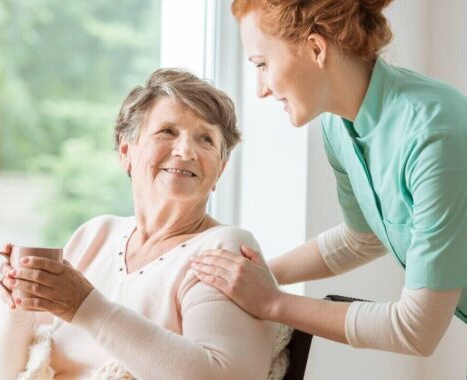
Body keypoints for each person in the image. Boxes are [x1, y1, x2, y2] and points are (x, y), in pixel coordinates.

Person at [191, 0, 466, 357]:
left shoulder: (433, 135)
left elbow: (416, 329)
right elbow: (362, 238)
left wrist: (272, 302)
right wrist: (257, 275)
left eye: (262, 65)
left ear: (315, 48)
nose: (260, 89)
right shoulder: (338, 126)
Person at [0, 68, 281, 380]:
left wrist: (85, 307)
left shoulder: (224, 248)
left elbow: (227, 377)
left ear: (220, 168)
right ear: (126, 151)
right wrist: (15, 304)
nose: (186, 151)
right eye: (167, 132)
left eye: (205, 139)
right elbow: (1, 370)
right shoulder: (95, 235)